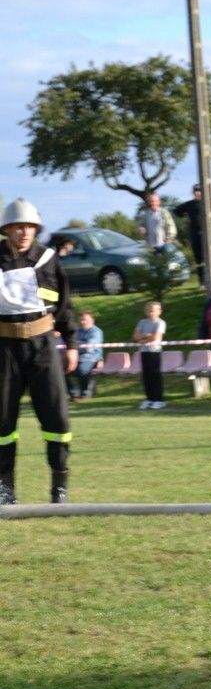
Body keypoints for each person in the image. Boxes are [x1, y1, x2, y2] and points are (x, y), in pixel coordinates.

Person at [0, 198, 77, 504]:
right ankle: (5, 487)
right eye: (18, 227)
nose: (24, 232)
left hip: (43, 346)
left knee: (56, 418)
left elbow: (65, 304)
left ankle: (59, 485)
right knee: (2, 423)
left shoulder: (48, 259)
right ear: (6, 229)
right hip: (4, 349)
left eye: (30, 227)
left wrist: (71, 344)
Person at [132, 300, 166, 410]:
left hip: (155, 352)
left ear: (159, 311)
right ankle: (149, 399)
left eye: (153, 311)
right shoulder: (142, 322)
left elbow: (155, 337)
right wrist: (145, 337)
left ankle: (158, 400)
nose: (151, 313)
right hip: (144, 352)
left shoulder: (160, 323)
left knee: (155, 376)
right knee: (146, 377)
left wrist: (144, 337)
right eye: (149, 311)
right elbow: (135, 337)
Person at [67, 310, 104, 400]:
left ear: (92, 320)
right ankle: (73, 394)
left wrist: (76, 346)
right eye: (81, 320)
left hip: (91, 358)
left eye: (85, 319)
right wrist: (78, 345)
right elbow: (71, 343)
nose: (83, 322)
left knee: (82, 371)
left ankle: (85, 393)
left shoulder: (96, 332)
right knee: (62, 371)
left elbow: (89, 348)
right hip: (77, 358)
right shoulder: (78, 331)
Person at [174, 184, 204, 283]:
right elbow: (176, 211)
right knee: (198, 258)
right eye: (195, 191)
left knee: (209, 257)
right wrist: (185, 215)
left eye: (199, 190)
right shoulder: (189, 204)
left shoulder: (206, 203)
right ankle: (202, 282)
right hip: (195, 234)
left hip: (207, 234)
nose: (197, 192)